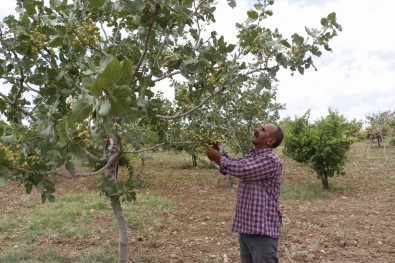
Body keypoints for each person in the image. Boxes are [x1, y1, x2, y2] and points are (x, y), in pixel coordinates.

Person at [205, 123, 284, 263]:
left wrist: (218, 158)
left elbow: (244, 170)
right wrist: (218, 152)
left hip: (262, 230)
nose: (257, 129)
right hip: (247, 226)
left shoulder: (270, 160)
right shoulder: (254, 156)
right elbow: (235, 164)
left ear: (270, 141)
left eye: (262, 130)